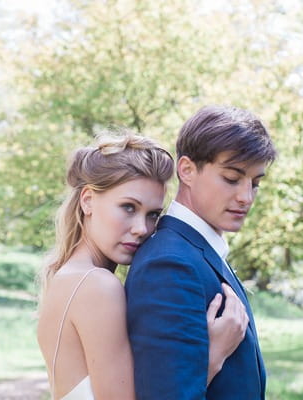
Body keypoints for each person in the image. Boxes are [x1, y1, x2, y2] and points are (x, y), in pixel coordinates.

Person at [37, 132, 250, 400]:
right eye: (128, 207)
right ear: (88, 200)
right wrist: (213, 356)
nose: (142, 229)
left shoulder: (66, 277)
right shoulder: (97, 285)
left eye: (152, 215)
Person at [126, 105, 277, 400]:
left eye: (255, 183)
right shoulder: (170, 265)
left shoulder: (199, 253)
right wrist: (214, 356)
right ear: (187, 170)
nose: (246, 197)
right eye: (232, 178)